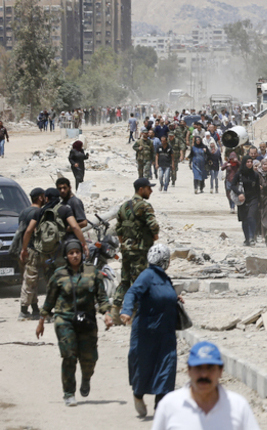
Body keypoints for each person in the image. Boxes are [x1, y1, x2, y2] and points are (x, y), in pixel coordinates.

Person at [36, 238, 115, 406]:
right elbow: (49, 300)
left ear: (82, 254)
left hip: (86, 320)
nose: (74, 256)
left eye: (77, 252)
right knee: (69, 355)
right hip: (64, 319)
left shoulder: (93, 272)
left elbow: (102, 298)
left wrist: (107, 313)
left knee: (89, 359)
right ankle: (69, 393)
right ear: (66, 255)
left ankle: (86, 378)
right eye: (71, 253)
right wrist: (41, 320)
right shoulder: (59, 274)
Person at [120, 243, 179, 418]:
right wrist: (126, 310)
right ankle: (138, 395)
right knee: (143, 367)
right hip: (147, 332)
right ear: (166, 261)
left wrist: (176, 298)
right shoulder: (147, 276)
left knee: (167, 368)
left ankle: (160, 409)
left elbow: (165, 296)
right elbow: (132, 293)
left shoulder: (165, 279)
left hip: (166, 333)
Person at [152, 341, 261, 430]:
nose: (204, 374)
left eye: (210, 368)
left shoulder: (238, 406)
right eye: (198, 368)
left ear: (221, 371)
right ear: (189, 370)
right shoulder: (169, 405)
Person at [113, 178, 160, 311]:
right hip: (140, 250)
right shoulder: (145, 206)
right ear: (141, 189)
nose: (150, 191)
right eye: (148, 188)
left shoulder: (124, 206)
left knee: (125, 280)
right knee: (139, 281)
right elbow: (154, 226)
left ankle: (115, 310)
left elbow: (119, 229)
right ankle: (137, 311)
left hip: (126, 249)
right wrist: (155, 236)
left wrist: (125, 243)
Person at [16, 187, 45, 320]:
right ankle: (23, 310)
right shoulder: (38, 212)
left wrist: (23, 249)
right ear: (40, 197)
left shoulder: (23, 212)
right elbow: (29, 232)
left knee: (30, 279)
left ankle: (34, 309)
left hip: (24, 250)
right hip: (33, 250)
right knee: (30, 281)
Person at [236, 156, 261, 246]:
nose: (250, 163)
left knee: (251, 217)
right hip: (242, 200)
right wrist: (239, 193)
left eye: (251, 162)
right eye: (248, 162)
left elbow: (258, 188)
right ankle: (247, 238)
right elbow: (232, 186)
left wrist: (259, 200)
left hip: (253, 199)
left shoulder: (255, 175)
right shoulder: (239, 174)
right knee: (244, 220)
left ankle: (251, 237)